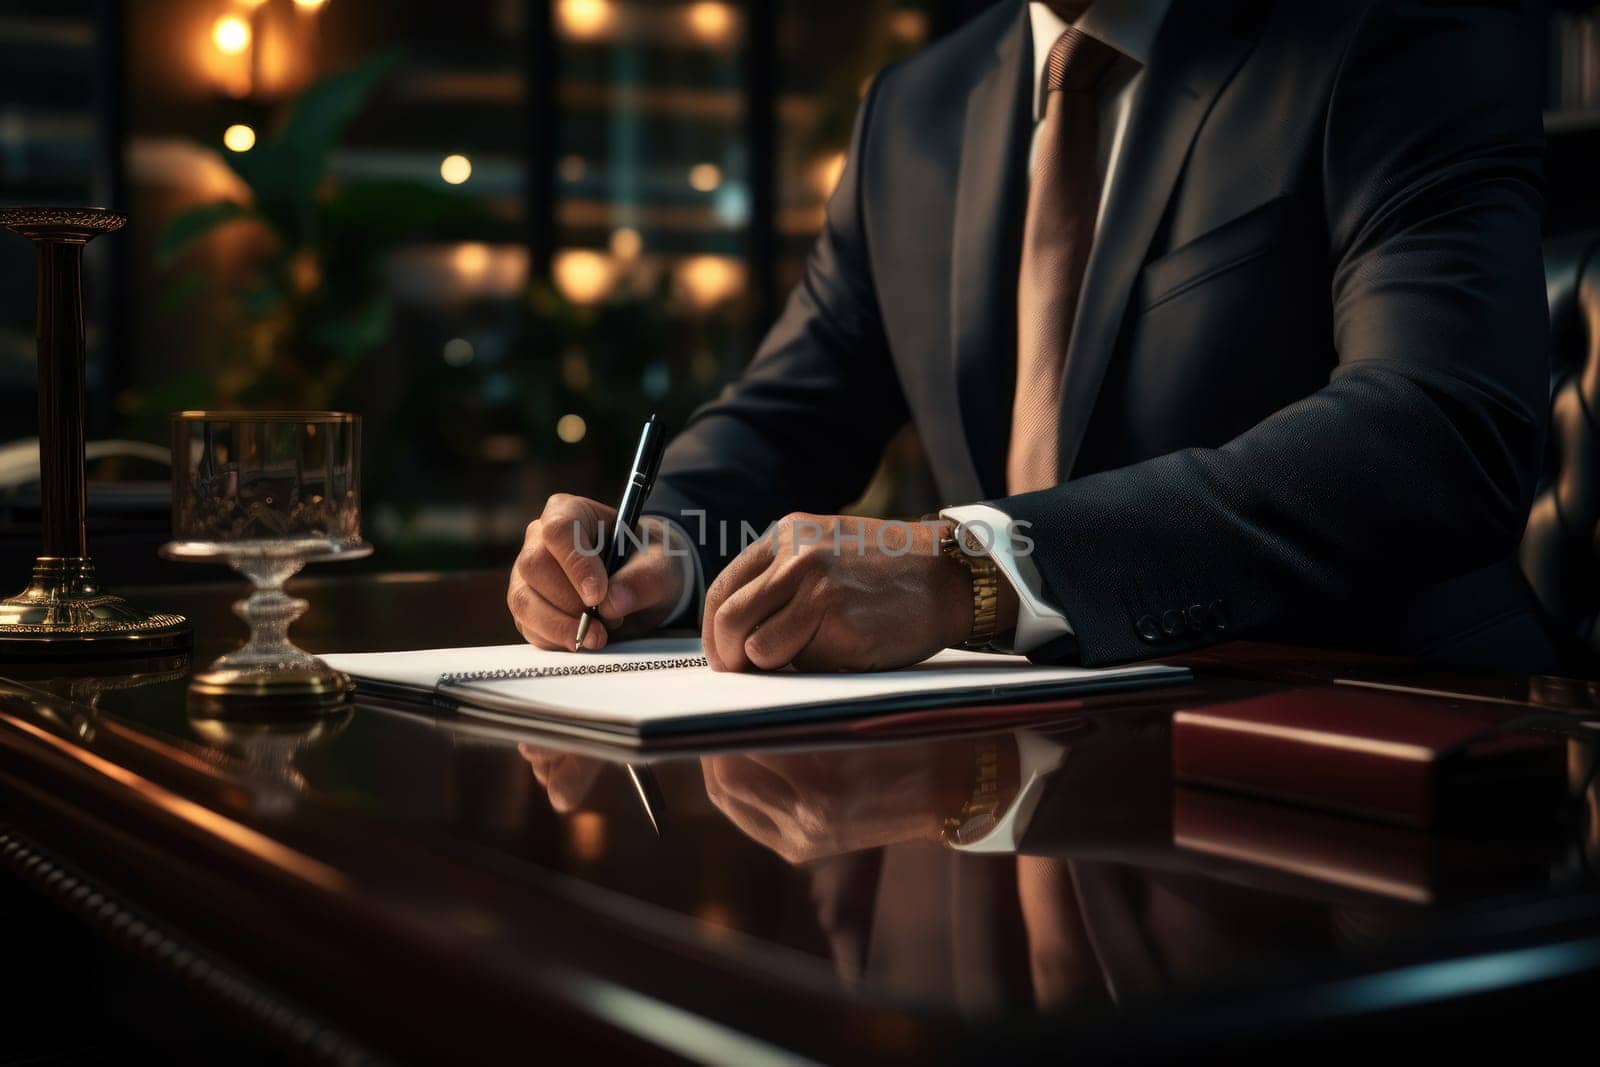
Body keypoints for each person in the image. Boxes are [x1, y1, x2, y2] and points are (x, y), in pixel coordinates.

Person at [509, 0, 1557, 673]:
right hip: (1014, 761)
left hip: (1355, 736)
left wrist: (972, 566)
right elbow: (791, 410)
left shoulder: (1399, 32)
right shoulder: (912, 111)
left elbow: (1439, 426)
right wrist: (668, 542)